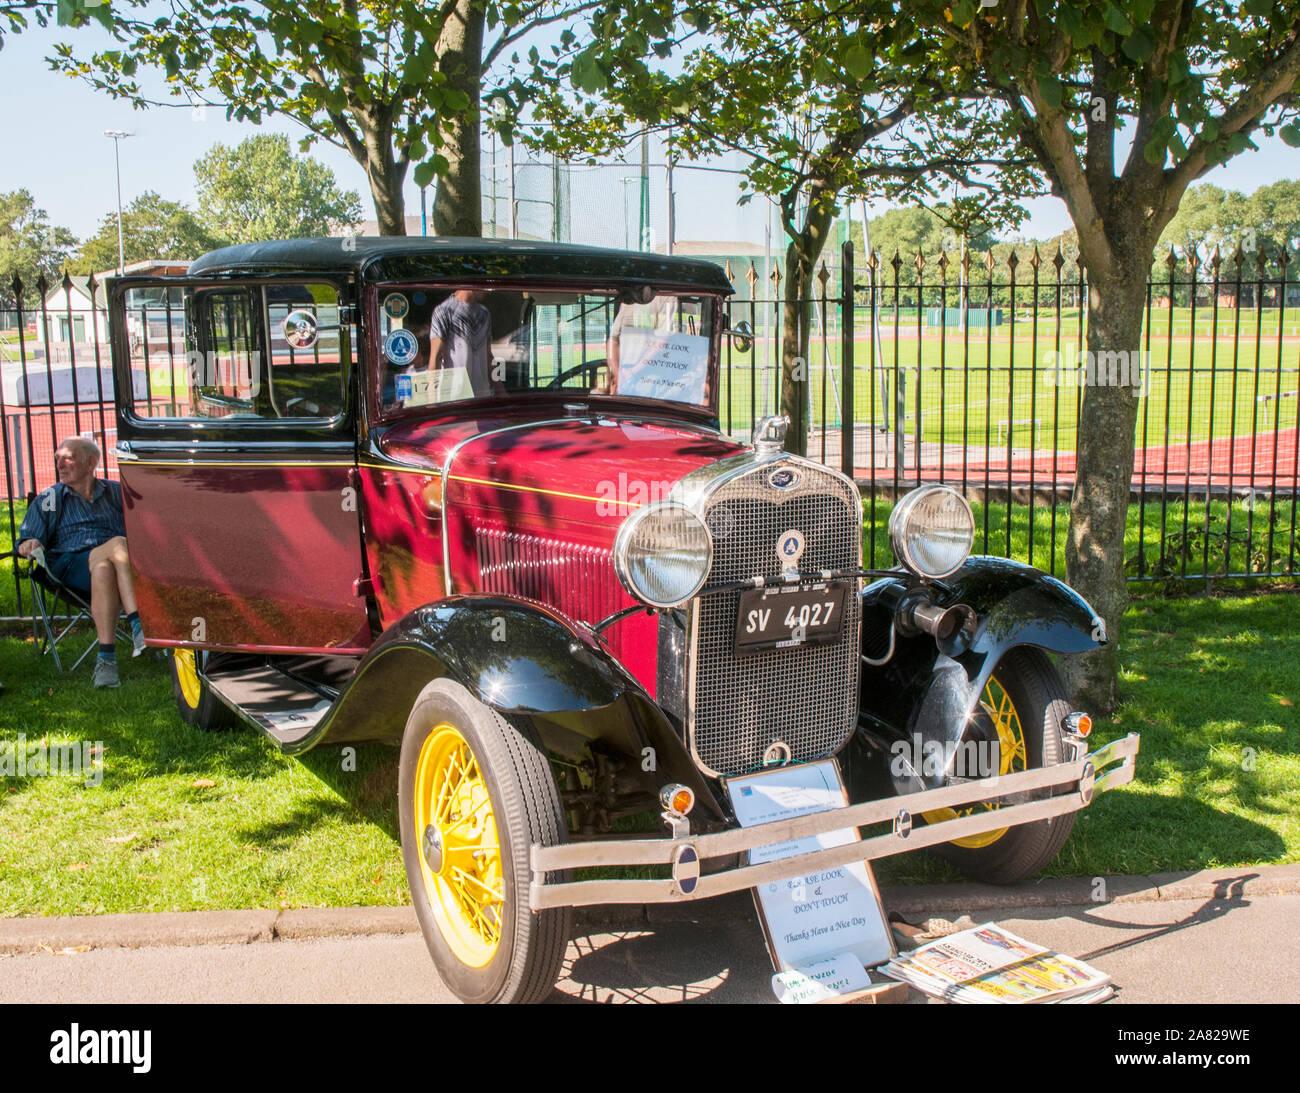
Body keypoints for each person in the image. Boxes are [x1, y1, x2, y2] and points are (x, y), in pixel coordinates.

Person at [15, 437, 145, 688]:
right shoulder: (51, 497)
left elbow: (148, 526)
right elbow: (27, 537)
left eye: (68, 458)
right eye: (57, 459)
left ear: (90, 462)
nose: (60, 465)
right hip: (71, 567)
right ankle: (138, 625)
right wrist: (29, 544)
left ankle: (106, 661)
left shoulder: (116, 492)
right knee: (117, 543)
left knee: (104, 567)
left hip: (119, 569)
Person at [428, 289, 503, 399]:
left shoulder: (484, 313)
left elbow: (488, 356)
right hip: (454, 399)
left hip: (482, 397)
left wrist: (500, 390)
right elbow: (435, 359)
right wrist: (432, 401)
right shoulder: (443, 311)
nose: (488, 290)